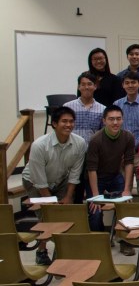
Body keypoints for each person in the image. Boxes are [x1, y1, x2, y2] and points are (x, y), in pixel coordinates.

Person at [22, 106, 86, 265]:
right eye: (64, 121)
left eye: (71, 121)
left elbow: (75, 173)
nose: (68, 125)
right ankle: (42, 250)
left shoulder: (80, 143)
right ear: (54, 124)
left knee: (65, 214)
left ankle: (63, 252)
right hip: (34, 181)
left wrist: (68, 196)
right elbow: (39, 179)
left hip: (61, 179)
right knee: (47, 215)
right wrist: (49, 201)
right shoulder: (39, 145)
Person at [86, 106, 135, 252]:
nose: (115, 122)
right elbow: (91, 169)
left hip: (114, 175)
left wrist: (127, 189)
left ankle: (124, 240)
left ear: (123, 120)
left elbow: (129, 163)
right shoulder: (95, 140)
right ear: (104, 121)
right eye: (111, 119)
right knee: (95, 210)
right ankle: (101, 239)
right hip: (97, 177)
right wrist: (95, 196)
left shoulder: (128, 137)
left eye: (118, 119)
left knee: (126, 205)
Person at [114, 71, 139, 150]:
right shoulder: (117, 104)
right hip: (119, 150)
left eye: (133, 82)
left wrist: (133, 146)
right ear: (123, 85)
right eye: (127, 83)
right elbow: (114, 127)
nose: (130, 85)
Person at [64, 72, 105, 145]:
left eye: (89, 84)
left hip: (93, 149)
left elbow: (104, 132)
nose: (86, 87)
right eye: (83, 84)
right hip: (72, 148)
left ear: (95, 86)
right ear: (79, 87)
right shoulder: (68, 107)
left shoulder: (102, 109)